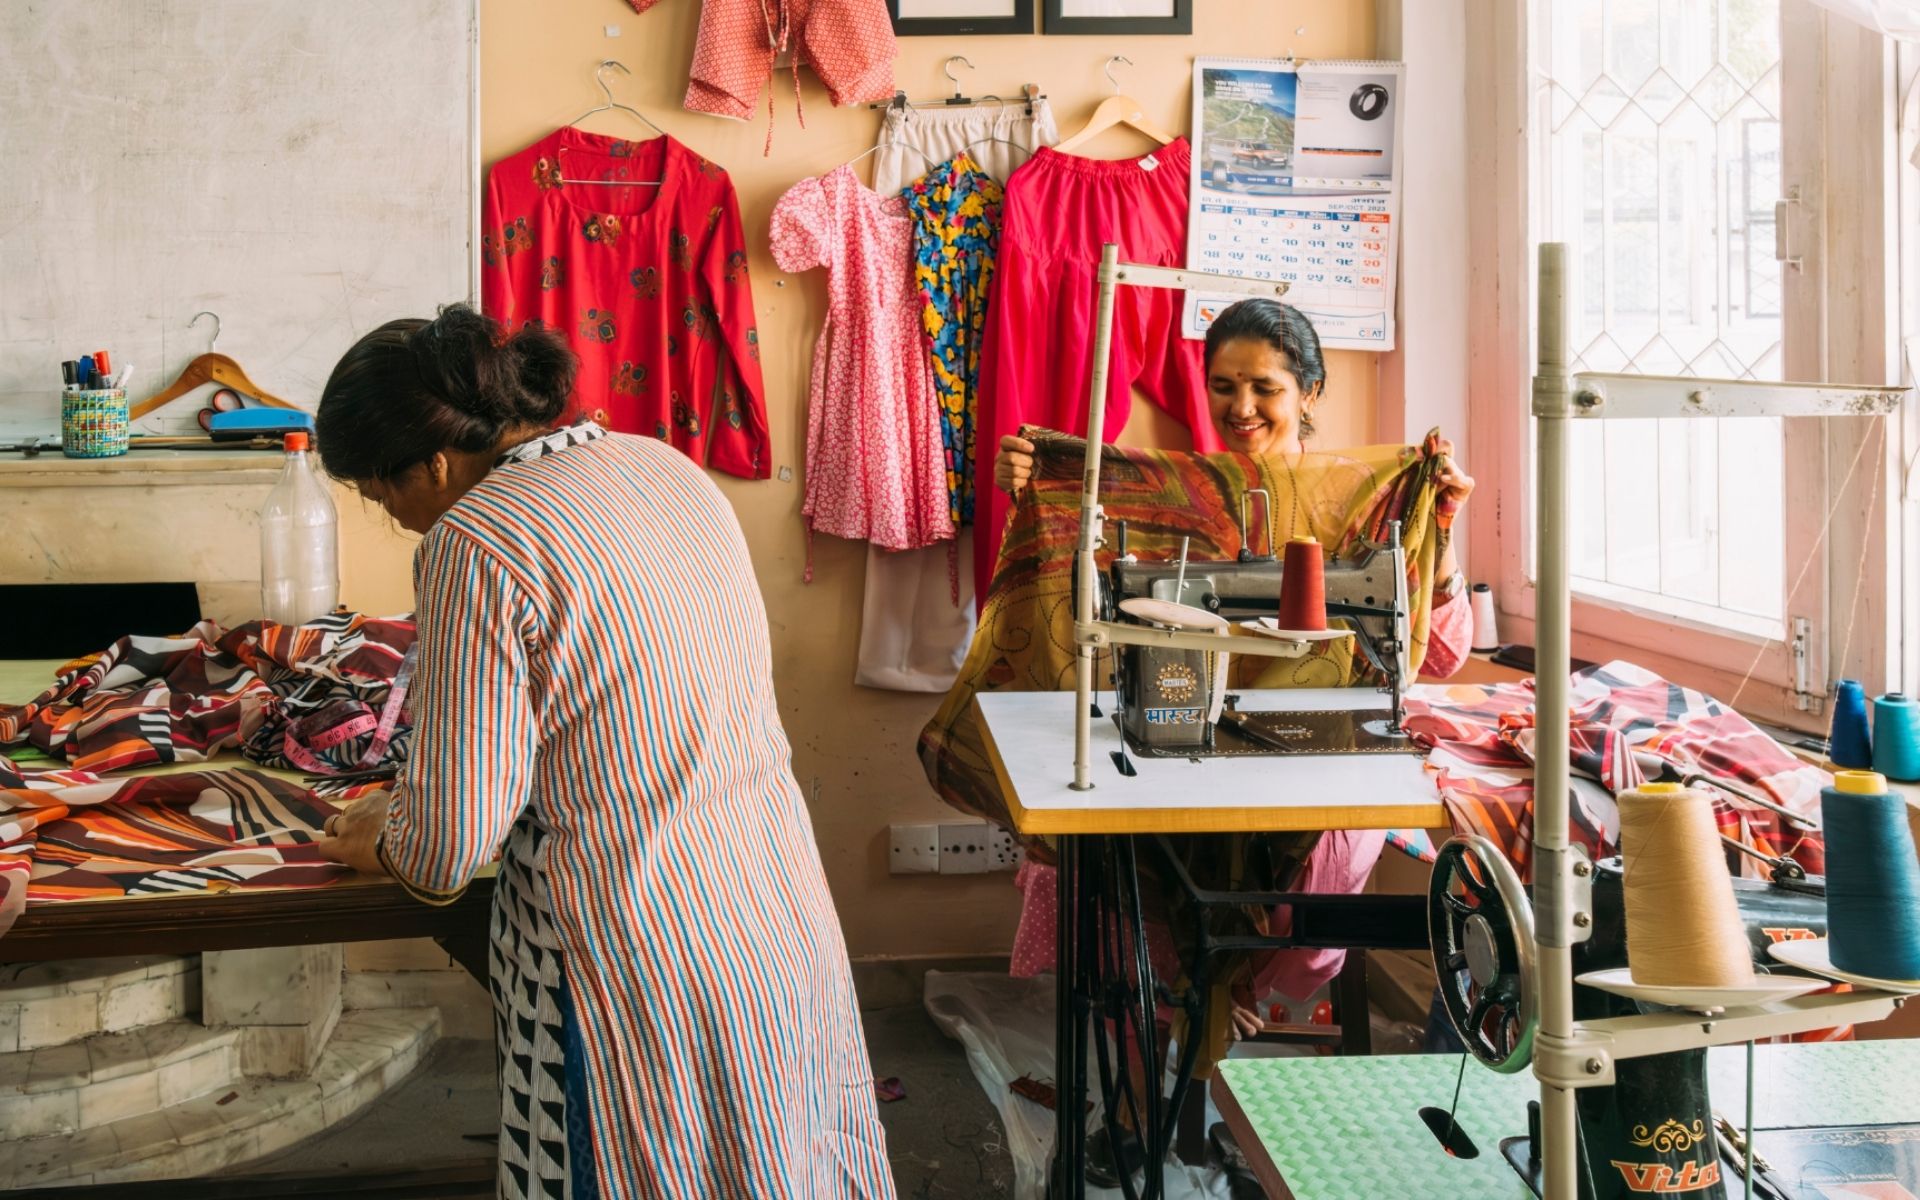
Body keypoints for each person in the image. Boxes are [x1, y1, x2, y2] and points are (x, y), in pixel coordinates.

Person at [313, 306, 895, 1200]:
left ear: (431, 462)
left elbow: (448, 846)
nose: (396, 520)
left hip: (630, 960)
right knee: (783, 1161)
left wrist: (375, 833)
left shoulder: (476, 539)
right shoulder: (666, 466)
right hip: (774, 915)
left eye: (381, 497)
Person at [993, 298, 1476, 672]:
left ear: (1309, 395)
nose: (1242, 408)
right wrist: (1036, 482)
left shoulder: (1363, 500)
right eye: (1224, 387)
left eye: (1265, 389)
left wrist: (1441, 525)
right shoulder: (1171, 498)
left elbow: (1441, 659)